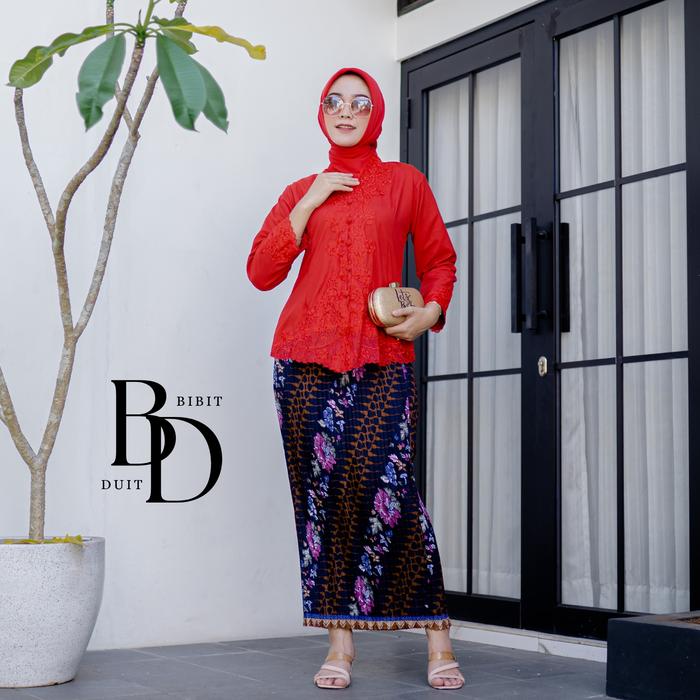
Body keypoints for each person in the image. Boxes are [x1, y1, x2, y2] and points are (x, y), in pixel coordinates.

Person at [246, 66, 464, 690]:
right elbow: (261, 272)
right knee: (323, 500)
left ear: (377, 114)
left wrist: (431, 312)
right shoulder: (301, 190)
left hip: (381, 358)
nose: (346, 112)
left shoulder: (404, 182)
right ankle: (339, 645)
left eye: (360, 103)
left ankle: (438, 636)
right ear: (321, 113)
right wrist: (310, 201)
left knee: (393, 492)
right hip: (303, 362)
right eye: (334, 102)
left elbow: (440, 261)